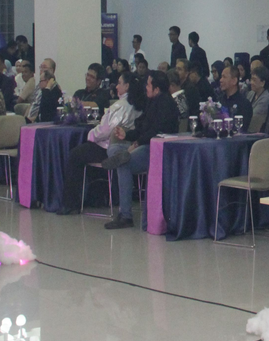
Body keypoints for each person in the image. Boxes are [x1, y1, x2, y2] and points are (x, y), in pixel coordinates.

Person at [104, 70, 181, 229]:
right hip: (145, 145)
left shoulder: (166, 104)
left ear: (157, 89)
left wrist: (137, 142)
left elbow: (156, 132)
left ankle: (126, 215)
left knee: (123, 163)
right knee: (116, 148)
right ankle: (122, 155)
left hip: (157, 150)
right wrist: (127, 134)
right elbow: (142, 128)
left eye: (148, 84)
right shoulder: (152, 102)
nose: (145, 87)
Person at [61, 72, 144, 213]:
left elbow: (106, 130)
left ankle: (71, 204)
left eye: (119, 83)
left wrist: (90, 135)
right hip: (128, 147)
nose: (116, 86)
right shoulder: (139, 105)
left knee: (74, 155)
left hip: (108, 147)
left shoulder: (119, 106)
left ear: (127, 86)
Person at [246, 64, 269, 133]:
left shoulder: (266, 99)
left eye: (254, 80)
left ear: (262, 83)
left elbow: (252, 117)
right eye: (251, 79)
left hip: (256, 133)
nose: (251, 82)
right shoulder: (251, 93)